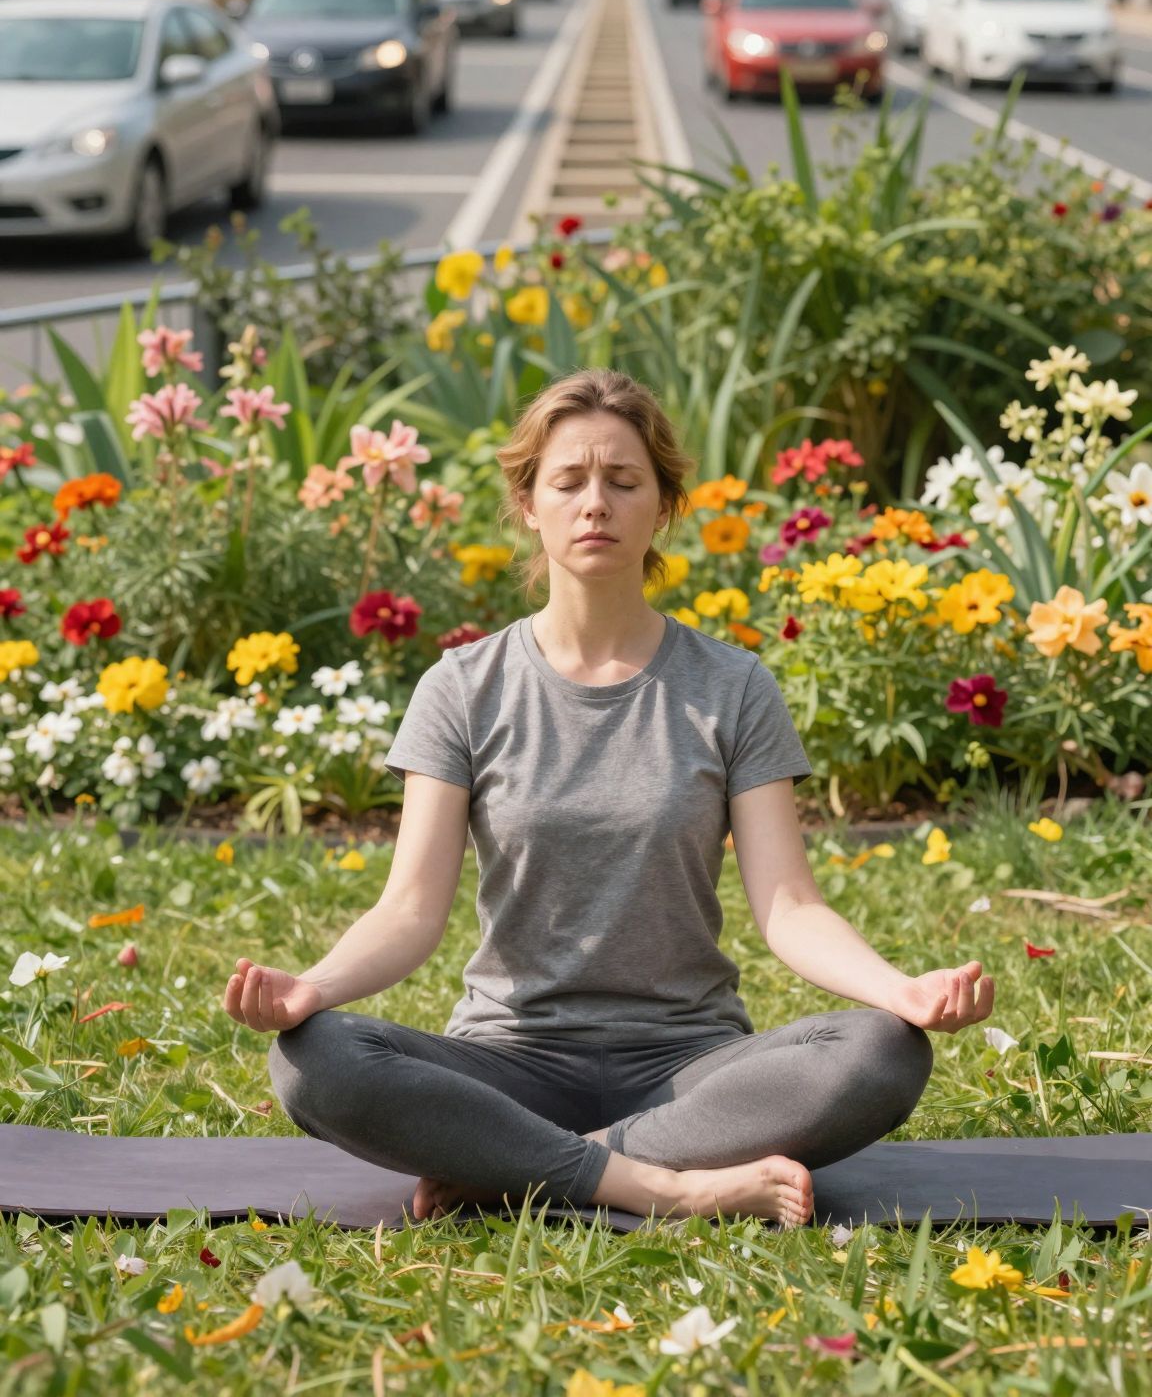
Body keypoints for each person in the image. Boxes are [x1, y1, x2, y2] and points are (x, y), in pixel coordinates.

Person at [226, 371, 995, 1226]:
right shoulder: (463, 688)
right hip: (509, 1061)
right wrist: (312, 988)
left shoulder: (732, 686)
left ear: (661, 506)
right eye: (569, 481)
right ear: (528, 502)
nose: (597, 502)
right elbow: (409, 911)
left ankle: (512, 1168)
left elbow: (790, 907)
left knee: (882, 1050)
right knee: (314, 1058)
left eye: (625, 481)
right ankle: (659, 1188)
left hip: (690, 1066)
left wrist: (902, 990)